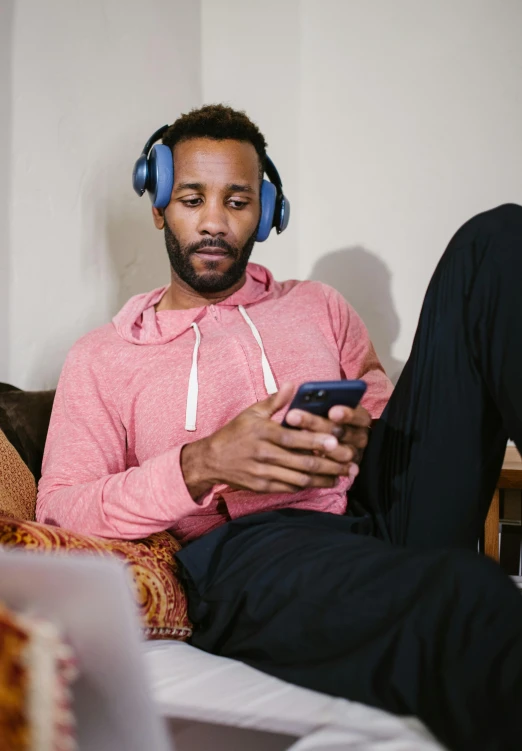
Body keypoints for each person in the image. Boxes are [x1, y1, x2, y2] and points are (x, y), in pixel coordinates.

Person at [37, 104, 522, 751]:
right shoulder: (104, 354)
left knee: (497, 239)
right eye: (191, 198)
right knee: (471, 598)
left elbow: (385, 410)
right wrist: (201, 463)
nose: (214, 221)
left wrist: (360, 433)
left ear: (266, 212)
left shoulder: (319, 304)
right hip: (253, 548)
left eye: (237, 200)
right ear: (158, 205)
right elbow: (61, 504)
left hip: (377, 501)